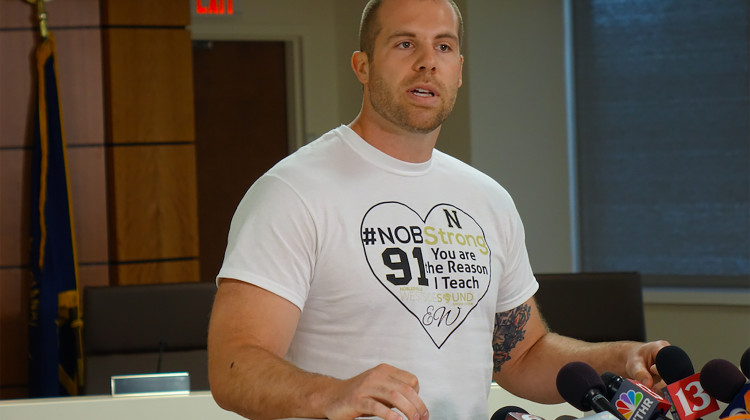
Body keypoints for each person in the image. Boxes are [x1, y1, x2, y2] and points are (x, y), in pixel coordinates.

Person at [207, 0, 669, 419]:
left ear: (460, 70)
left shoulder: (487, 199)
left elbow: (521, 356)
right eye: (405, 43)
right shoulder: (292, 191)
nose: (427, 62)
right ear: (362, 65)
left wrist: (618, 357)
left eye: (443, 47)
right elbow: (234, 364)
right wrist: (330, 395)